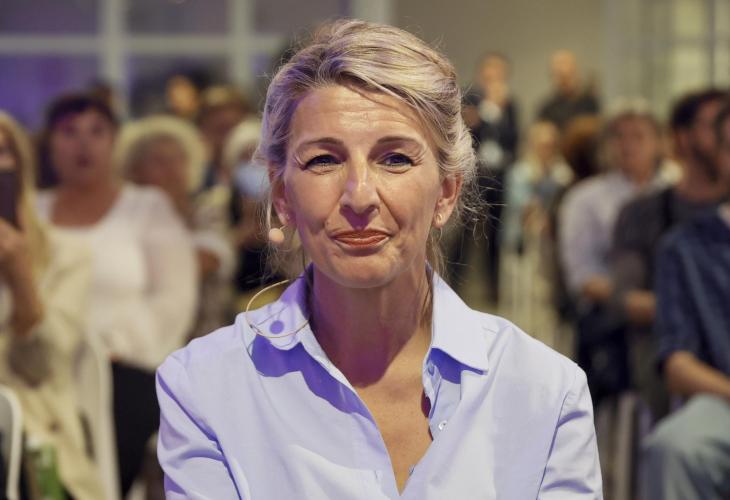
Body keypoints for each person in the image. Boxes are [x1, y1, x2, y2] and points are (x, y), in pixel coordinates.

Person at [156, 20, 602, 499]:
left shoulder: (545, 393)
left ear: (446, 192)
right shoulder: (204, 387)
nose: (360, 195)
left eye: (395, 159)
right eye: (324, 160)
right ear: (282, 195)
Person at [34, 93, 198, 496]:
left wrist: (122, 345)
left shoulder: (146, 207)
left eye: (96, 131)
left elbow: (174, 298)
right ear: (50, 143)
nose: (83, 144)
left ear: (114, 141)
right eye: (69, 132)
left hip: (125, 368)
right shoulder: (32, 210)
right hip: (41, 369)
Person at [0, 111, 106, 499]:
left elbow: (43, 363)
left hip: (31, 432)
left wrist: (20, 276)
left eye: (2, 153)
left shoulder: (65, 254)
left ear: (20, 166)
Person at [610, 88, 727, 418]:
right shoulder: (644, 214)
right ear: (682, 138)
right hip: (668, 349)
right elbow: (623, 299)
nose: (723, 135)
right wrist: (691, 307)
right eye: (713, 125)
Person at [643, 98, 730, 500]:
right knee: (674, 447)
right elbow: (678, 365)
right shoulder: (685, 247)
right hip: (723, 400)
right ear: (720, 158)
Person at [559, 100, 666, 405]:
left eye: (638, 136)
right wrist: (631, 301)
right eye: (619, 136)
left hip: (668, 310)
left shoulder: (674, 192)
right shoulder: (585, 198)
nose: (628, 145)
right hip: (612, 314)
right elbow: (581, 275)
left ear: (659, 143)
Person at [116, 115, 235, 340]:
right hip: (140, 343)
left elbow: (205, 261)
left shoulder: (207, 213)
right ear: (134, 169)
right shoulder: (122, 219)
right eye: (159, 161)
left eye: (180, 159)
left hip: (205, 343)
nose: (172, 170)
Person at [450, 52, 520, 303]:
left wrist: (496, 111)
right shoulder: (471, 98)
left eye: (498, 71)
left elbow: (513, 138)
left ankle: (494, 292)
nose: (494, 76)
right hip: (473, 175)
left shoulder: (509, 103)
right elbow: (469, 133)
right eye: (490, 70)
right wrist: (488, 111)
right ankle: (453, 287)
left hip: (499, 177)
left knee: (495, 236)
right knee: (465, 234)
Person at [537, 50, 600, 131]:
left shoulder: (590, 102)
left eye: (569, 74)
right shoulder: (546, 109)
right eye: (560, 76)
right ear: (552, 76)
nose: (565, 81)